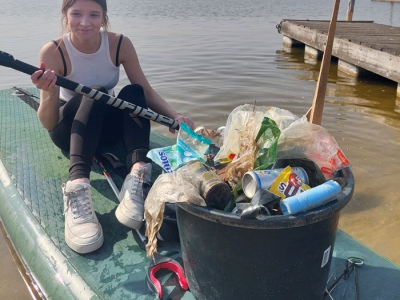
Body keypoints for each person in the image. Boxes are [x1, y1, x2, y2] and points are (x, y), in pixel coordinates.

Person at [30, 0, 195, 254]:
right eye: (77, 14)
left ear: (104, 17)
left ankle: (138, 175)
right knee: (96, 92)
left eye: (94, 15)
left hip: (105, 129)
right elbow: (48, 123)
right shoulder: (53, 51)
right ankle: (77, 187)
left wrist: (175, 116)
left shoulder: (120, 44)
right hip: (69, 130)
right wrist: (49, 93)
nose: (85, 23)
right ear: (65, 15)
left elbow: (146, 92)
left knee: (133, 92)